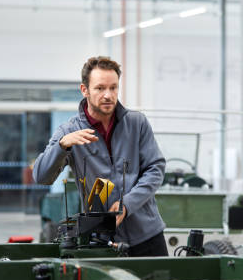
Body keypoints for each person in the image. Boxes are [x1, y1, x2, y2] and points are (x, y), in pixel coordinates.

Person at [33, 56, 168, 257]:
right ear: (84, 90)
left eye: (113, 88)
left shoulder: (137, 123)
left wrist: (127, 205)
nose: (108, 95)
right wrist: (62, 146)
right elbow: (41, 176)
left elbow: (155, 169)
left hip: (148, 235)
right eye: (100, 88)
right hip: (101, 241)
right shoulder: (69, 131)